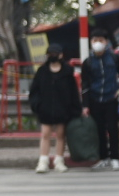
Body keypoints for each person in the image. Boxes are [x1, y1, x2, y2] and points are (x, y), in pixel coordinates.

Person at [80, 29, 119, 170]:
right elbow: (85, 84)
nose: (98, 43)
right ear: (91, 42)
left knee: (113, 129)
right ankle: (103, 157)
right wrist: (85, 105)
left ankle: (115, 158)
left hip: (111, 98)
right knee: (99, 130)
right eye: (95, 40)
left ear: (106, 42)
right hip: (95, 99)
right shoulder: (87, 62)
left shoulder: (114, 58)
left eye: (101, 40)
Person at [28, 43, 80, 173]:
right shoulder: (42, 71)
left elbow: (73, 91)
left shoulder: (67, 71)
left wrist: (75, 108)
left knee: (61, 135)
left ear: (61, 55)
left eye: (55, 54)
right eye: (50, 54)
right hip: (45, 109)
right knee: (45, 134)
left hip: (63, 109)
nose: (53, 56)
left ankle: (59, 161)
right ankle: (43, 161)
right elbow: (34, 91)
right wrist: (37, 105)